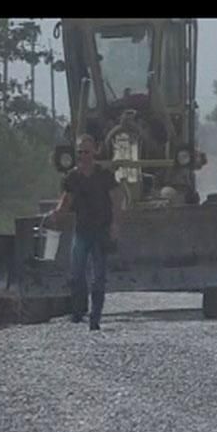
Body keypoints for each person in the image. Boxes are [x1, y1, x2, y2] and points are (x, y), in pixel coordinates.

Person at [49, 134, 123, 331]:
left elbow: (116, 199)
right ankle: (78, 311)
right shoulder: (72, 177)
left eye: (87, 152)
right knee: (76, 274)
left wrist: (115, 224)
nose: (83, 156)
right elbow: (67, 199)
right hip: (82, 232)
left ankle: (95, 318)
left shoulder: (104, 175)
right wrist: (57, 214)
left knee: (98, 277)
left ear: (95, 151)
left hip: (101, 231)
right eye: (80, 152)